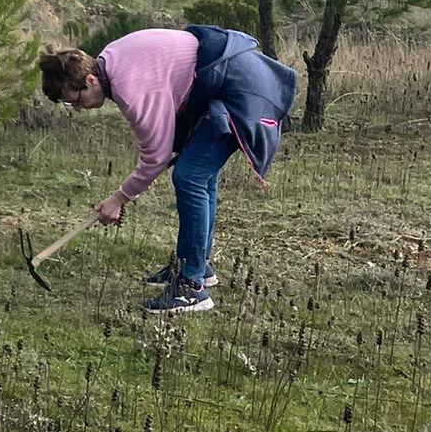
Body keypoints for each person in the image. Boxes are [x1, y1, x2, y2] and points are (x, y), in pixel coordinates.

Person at [38, 24, 296, 315]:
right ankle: (196, 266)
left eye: (75, 100)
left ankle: (191, 288)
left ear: (90, 80)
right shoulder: (109, 60)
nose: (78, 109)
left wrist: (118, 199)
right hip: (225, 81)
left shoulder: (129, 86)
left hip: (241, 89)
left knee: (190, 176)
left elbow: (156, 155)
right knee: (199, 175)